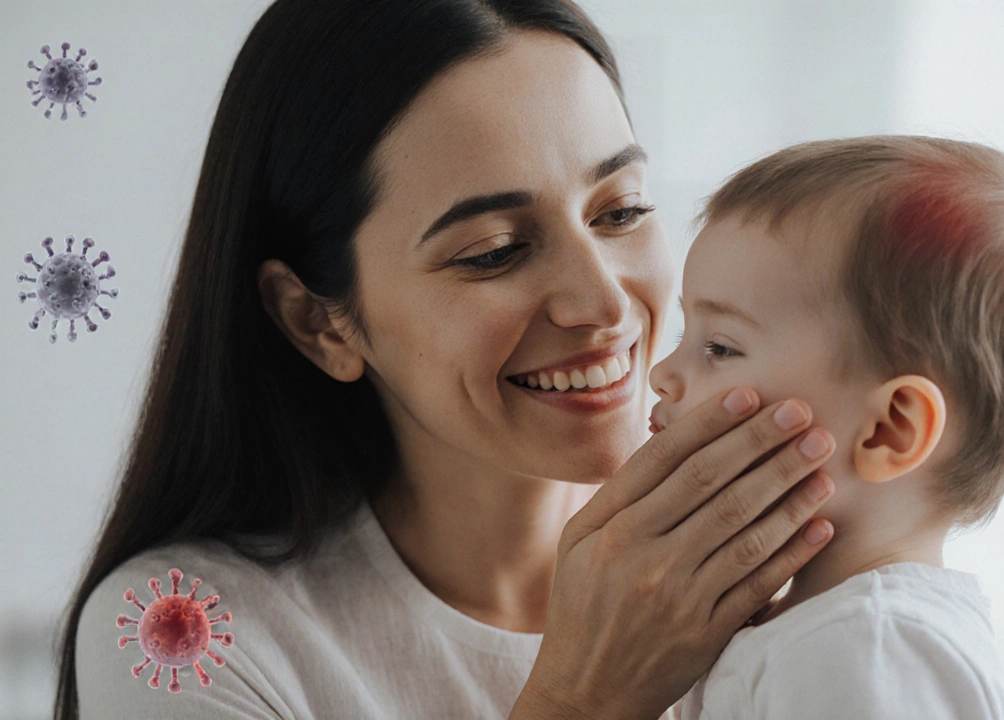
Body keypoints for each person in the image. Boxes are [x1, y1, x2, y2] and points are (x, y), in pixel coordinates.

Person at [56, 2, 842, 718]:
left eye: (622, 210)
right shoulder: (181, 630)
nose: (604, 305)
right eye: (494, 252)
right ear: (318, 322)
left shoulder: (795, 570)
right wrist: (585, 697)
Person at [651, 136, 1004, 719]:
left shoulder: (864, 646)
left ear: (890, 431)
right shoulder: (826, 631)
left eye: (720, 347)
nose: (662, 374)